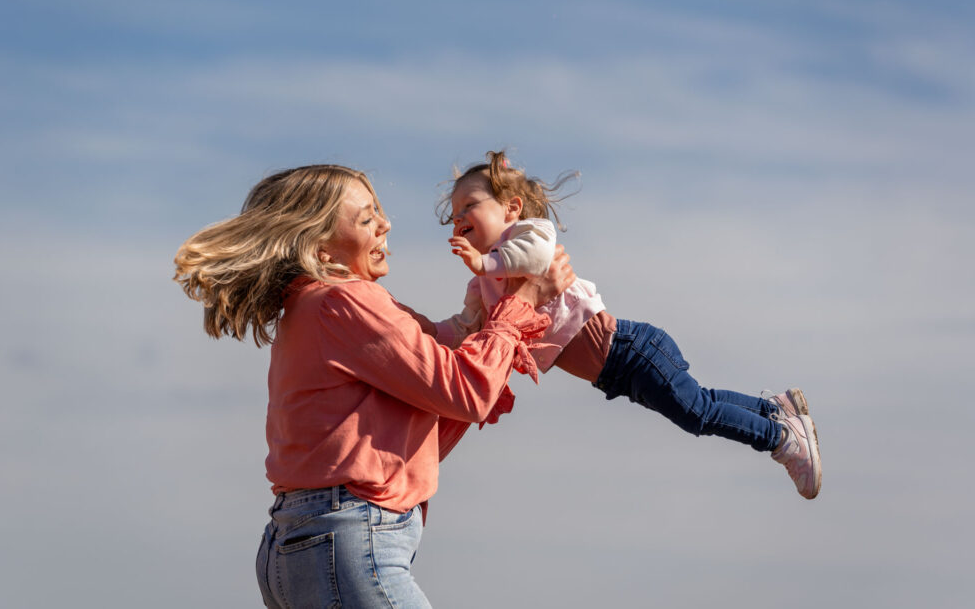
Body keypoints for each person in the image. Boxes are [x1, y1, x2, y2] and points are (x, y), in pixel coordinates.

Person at [173, 164, 574, 608]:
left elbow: (442, 359)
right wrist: (524, 300)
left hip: (302, 544)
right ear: (322, 250)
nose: (385, 224)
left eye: (379, 212)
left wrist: (498, 306)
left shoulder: (312, 308)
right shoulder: (345, 302)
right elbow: (468, 390)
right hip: (345, 541)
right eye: (366, 219)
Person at [414, 151, 822, 499]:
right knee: (703, 400)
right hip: (615, 375)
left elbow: (535, 256)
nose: (460, 218)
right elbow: (466, 329)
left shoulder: (529, 236)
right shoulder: (483, 283)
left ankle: (781, 440)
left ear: (512, 208)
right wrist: (422, 331)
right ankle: (777, 409)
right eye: (454, 215)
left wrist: (486, 262)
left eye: (470, 206)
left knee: (697, 413)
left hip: (630, 349)